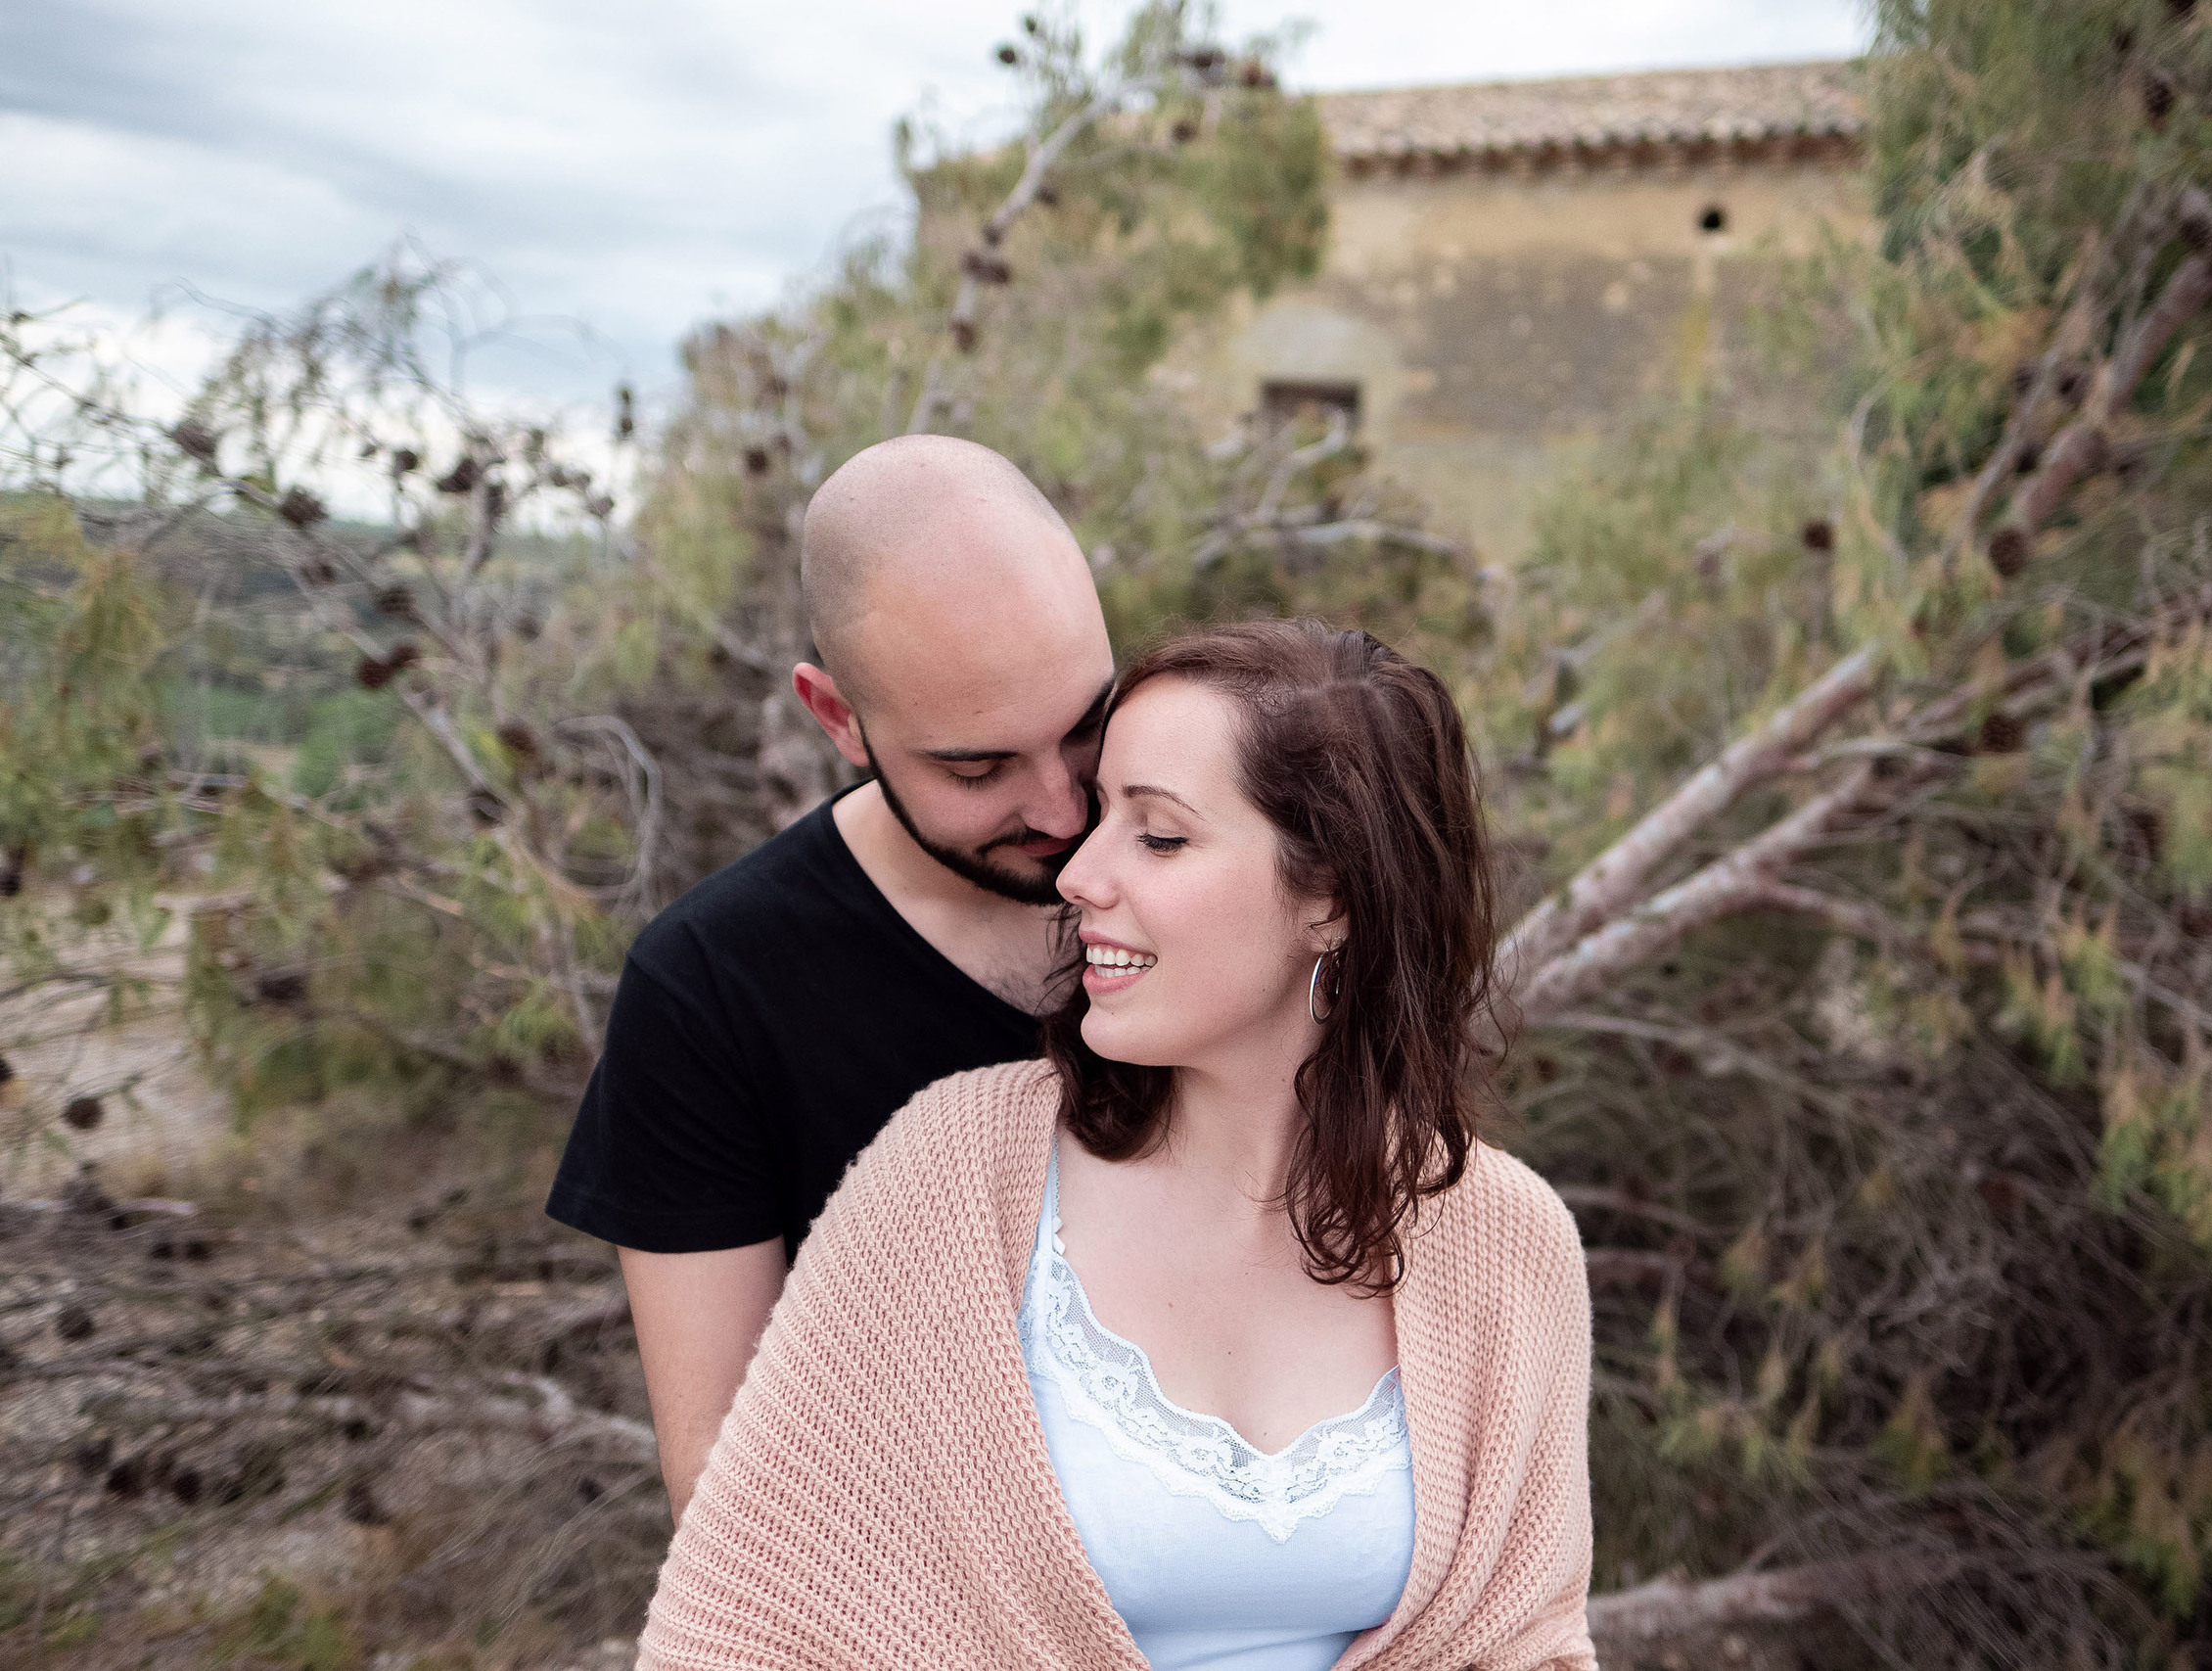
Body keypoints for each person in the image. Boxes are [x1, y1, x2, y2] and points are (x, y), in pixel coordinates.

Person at [636, 620, 1596, 1671]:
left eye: (1160, 836)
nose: (1078, 873)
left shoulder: (1508, 1242)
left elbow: (1533, 1640)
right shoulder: (950, 1177)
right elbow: (740, 1625)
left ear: (1331, 896)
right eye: (1101, 817)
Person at [544, 435, 1115, 1521]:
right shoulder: (709, 988)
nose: (1064, 808)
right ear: (837, 717)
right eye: (977, 767)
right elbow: (726, 1482)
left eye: (1088, 726)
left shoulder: (1228, 865)